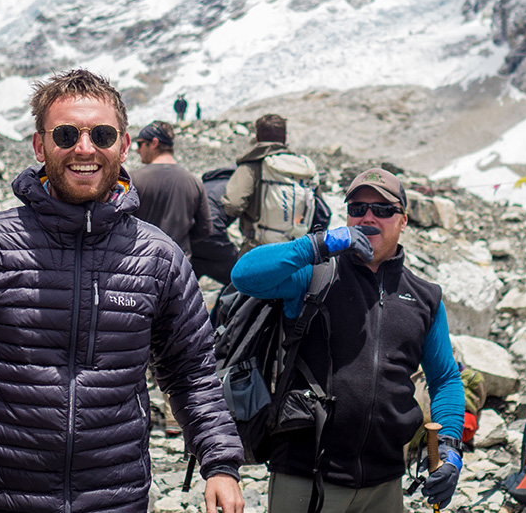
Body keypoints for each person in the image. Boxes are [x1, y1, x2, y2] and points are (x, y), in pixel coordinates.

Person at [0, 69, 244, 513]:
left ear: (124, 146)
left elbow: (192, 373)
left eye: (103, 135)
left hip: (115, 499)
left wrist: (220, 463)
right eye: (66, 134)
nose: (85, 148)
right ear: (40, 145)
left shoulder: (159, 258)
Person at [231, 168, 465, 513]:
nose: (368, 217)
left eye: (383, 210)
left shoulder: (425, 298)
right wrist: (318, 244)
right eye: (357, 208)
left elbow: (444, 378)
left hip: (385, 482)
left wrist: (448, 447)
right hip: (305, 474)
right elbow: (245, 276)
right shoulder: (317, 273)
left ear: (403, 221)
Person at [222, 114, 318, 254]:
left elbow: (233, 204)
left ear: (257, 138)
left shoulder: (252, 165)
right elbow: (322, 212)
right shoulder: (303, 167)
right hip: (297, 250)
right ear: (285, 137)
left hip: (258, 249)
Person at [130, 120, 212, 256]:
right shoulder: (194, 182)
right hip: (180, 264)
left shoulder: (134, 179)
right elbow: (205, 228)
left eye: (140, 143)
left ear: (154, 143)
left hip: (143, 263)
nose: (138, 150)